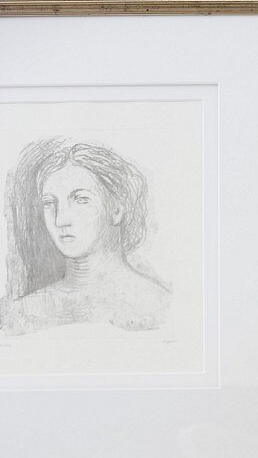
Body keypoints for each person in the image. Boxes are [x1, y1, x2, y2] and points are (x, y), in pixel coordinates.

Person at [0, 137, 170, 335]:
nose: (60, 219)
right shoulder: (21, 313)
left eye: (81, 199)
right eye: (49, 203)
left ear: (116, 210)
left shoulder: (160, 306)